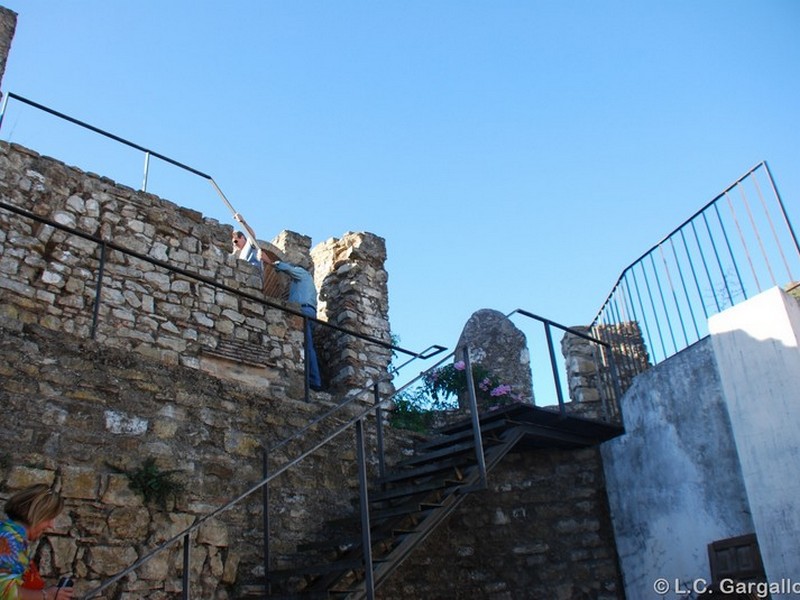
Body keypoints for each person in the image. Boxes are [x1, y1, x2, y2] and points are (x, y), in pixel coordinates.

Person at [0, 484, 74, 600]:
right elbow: (4, 591)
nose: (51, 526)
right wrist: (46, 595)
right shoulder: (9, 540)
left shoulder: (11, 535)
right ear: (37, 514)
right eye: (49, 518)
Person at [261, 252, 323, 391]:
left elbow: (288, 269)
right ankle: (314, 379)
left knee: (307, 346)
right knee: (308, 345)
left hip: (304, 311)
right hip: (309, 311)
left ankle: (314, 381)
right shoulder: (304, 282)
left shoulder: (301, 273)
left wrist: (269, 262)